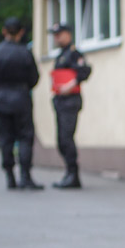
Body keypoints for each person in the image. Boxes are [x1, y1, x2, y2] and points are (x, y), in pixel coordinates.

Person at [0, 17, 42, 190]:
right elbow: (34, 78)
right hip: (21, 99)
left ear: (4, 31)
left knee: (6, 138)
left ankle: (10, 177)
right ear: (21, 32)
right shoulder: (25, 52)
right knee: (25, 137)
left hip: (2, 100)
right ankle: (25, 176)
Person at [49, 23, 91, 189]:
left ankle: (73, 175)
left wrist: (71, 84)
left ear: (68, 34)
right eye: (54, 35)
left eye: (59, 34)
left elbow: (85, 71)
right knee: (61, 140)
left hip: (70, 101)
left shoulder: (74, 54)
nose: (56, 38)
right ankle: (69, 173)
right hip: (60, 101)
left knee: (66, 138)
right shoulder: (61, 54)